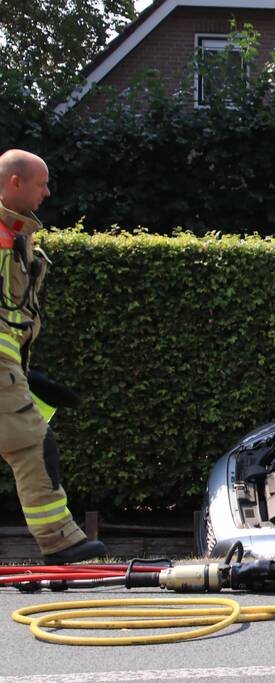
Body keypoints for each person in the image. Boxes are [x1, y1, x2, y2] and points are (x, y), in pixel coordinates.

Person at [0, 149, 107, 564]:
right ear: (15, 183)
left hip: (9, 368)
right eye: (41, 183)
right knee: (30, 442)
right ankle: (61, 541)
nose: (47, 191)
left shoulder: (14, 234)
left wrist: (23, 373)